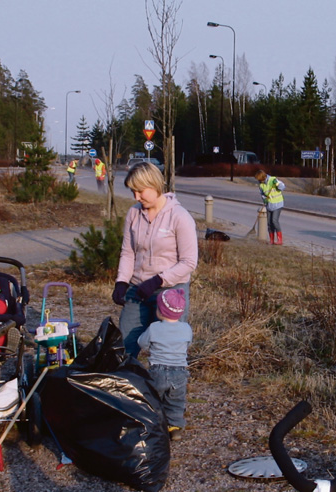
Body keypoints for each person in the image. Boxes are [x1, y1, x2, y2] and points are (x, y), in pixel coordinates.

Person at [111, 161, 198, 358]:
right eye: (133, 191)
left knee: (167, 352)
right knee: (126, 347)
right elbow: (128, 252)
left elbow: (189, 262)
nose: (136, 197)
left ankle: (166, 387)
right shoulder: (134, 213)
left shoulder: (180, 217)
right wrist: (122, 282)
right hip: (138, 289)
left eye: (140, 191)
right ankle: (130, 384)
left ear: (155, 184)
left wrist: (157, 281)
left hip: (170, 293)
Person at [137, 288, 192, 442]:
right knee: (176, 401)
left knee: (154, 400)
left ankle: (154, 426)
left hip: (158, 370)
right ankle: (175, 428)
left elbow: (142, 343)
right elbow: (188, 344)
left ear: (160, 311)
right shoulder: (186, 328)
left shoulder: (154, 328)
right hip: (180, 372)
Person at [255, 169, 286, 245]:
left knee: (274, 221)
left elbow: (282, 187)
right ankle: (271, 240)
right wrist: (264, 199)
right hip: (269, 205)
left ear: (263, 177)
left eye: (260, 180)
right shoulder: (261, 185)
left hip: (278, 204)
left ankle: (279, 240)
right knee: (269, 223)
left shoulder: (273, 180)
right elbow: (262, 194)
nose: (259, 181)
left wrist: (277, 184)